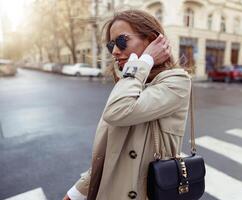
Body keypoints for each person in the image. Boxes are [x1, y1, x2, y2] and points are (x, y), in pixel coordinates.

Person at [63, 9, 191, 200]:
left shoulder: (177, 82)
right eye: (111, 45)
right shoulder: (129, 83)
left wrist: (145, 60)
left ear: (151, 40)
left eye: (122, 41)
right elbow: (110, 156)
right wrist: (76, 193)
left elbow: (117, 111)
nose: (115, 51)